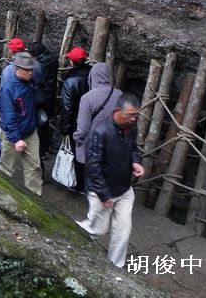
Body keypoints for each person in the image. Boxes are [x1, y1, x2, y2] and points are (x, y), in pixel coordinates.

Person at [76, 93, 144, 268]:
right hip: (103, 191)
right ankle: (71, 240)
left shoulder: (132, 127)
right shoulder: (100, 133)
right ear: (117, 111)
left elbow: (133, 149)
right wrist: (104, 195)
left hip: (124, 189)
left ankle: (116, 267)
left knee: (122, 231)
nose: (133, 119)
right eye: (130, 115)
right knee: (96, 229)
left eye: (136, 115)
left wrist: (135, 162)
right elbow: (93, 168)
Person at [0, 52, 44, 196]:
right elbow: (8, 116)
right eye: (27, 70)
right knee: (7, 169)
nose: (31, 72)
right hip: (13, 135)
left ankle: (35, 199)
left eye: (31, 69)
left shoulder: (30, 82)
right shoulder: (8, 89)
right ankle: (2, 195)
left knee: (34, 168)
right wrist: (16, 139)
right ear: (17, 69)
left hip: (30, 132)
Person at [73, 63, 122, 176]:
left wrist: (77, 139)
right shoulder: (119, 94)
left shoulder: (87, 98)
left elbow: (83, 128)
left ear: (92, 76)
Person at [58, 46, 91, 192]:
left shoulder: (70, 81)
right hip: (92, 121)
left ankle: (79, 184)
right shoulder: (92, 76)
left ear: (71, 61)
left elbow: (67, 108)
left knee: (77, 154)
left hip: (75, 123)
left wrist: (64, 129)